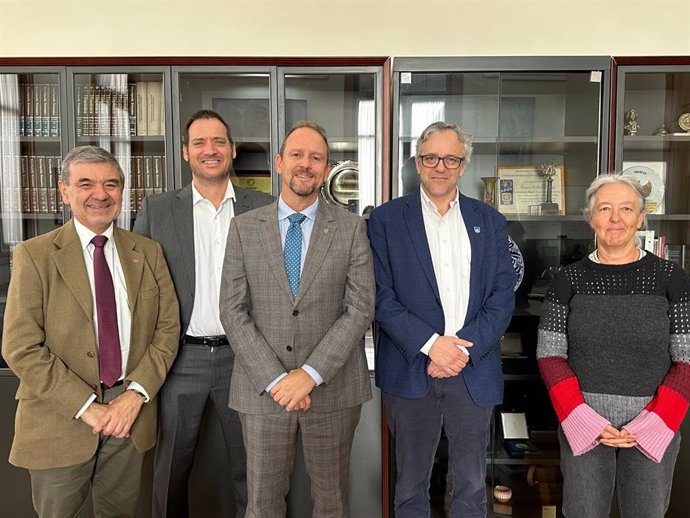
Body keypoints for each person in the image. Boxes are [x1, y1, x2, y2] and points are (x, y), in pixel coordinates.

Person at [1, 145, 180, 518]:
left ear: (122, 191)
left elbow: (167, 330)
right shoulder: (34, 255)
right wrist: (87, 408)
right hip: (59, 419)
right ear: (64, 191)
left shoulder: (147, 252)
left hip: (129, 417)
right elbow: (21, 347)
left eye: (111, 184)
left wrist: (135, 396)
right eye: (86, 183)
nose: (100, 194)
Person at [219, 121, 374, 518]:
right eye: (297, 155)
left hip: (333, 387)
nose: (305, 164)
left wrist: (310, 374)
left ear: (325, 170)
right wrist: (276, 380)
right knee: (262, 502)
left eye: (316, 158)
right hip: (262, 390)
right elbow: (233, 311)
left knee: (332, 501)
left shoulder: (352, 229)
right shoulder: (243, 229)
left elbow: (359, 308)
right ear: (279, 163)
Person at [368, 121, 516, 518]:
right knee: (410, 486)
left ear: (463, 165)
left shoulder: (490, 221)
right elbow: (380, 297)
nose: (440, 167)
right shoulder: (385, 221)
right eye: (431, 157)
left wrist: (461, 350)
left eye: (451, 158)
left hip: (473, 371)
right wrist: (433, 345)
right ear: (418, 162)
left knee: (471, 486)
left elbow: (502, 298)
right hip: (411, 370)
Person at [133, 109, 273, 518]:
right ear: (185, 153)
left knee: (254, 470)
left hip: (247, 359)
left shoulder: (263, 207)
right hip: (180, 359)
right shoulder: (158, 211)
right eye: (199, 143)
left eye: (217, 142)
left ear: (231, 150)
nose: (209, 150)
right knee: (171, 469)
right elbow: (139, 290)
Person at [537, 173, 690, 518]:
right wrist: (583, 419)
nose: (616, 218)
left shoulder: (671, 278)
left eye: (626, 209)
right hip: (584, 427)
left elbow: (687, 361)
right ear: (591, 218)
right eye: (605, 208)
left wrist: (652, 422)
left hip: (653, 428)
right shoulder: (567, 279)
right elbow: (549, 355)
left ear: (641, 217)